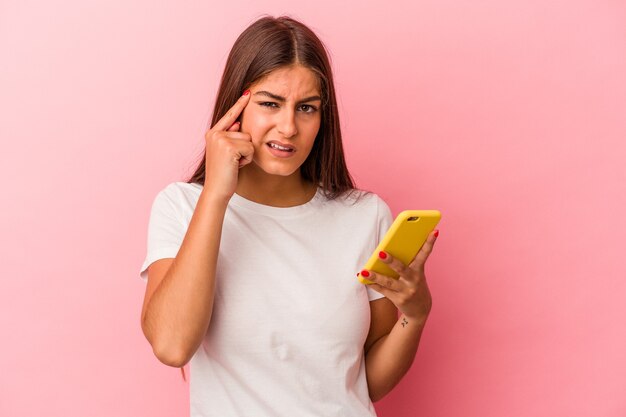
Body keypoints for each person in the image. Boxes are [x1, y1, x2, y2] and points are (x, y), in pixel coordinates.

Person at [139, 15, 439, 417]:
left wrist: (415, 316)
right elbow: (172, 346)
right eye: (269, 103)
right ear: (236, 107)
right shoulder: (182, 207)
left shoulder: (365, 216)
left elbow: (368, 383)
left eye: (306, 108)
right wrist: (216, 195)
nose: (289, 127)